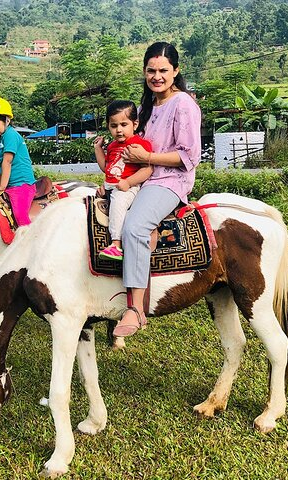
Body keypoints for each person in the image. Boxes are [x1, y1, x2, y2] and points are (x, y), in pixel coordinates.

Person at [113, 41, 202, 337]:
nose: (157, 76)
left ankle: (136, 309)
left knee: (135, 227)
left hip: (168, 181)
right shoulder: (145, 107)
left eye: (163, 70)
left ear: (176, 71)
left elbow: (189, 156)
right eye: (151, 70)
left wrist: (146, 158)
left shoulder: (184, 104)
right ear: (144, 72)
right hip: (142, 177)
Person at [94, 100, 153, 261]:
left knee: (118, 205)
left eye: (123, 124)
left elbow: (147, 169)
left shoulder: (139, 144)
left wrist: (128, 182)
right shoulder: (112, 146)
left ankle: (116, 244)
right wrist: (98, 149)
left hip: (128, 188)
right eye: (114, 126)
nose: (119, 130)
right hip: (112, 187)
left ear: (135, 124)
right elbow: (106, 167)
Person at [0, 96, 37, 226]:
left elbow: (7, 162)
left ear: (6, 121)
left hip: (21, 184)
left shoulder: (11, 136)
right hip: (10, 185)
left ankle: (30, 240)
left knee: (20, 216)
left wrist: (2, 186)